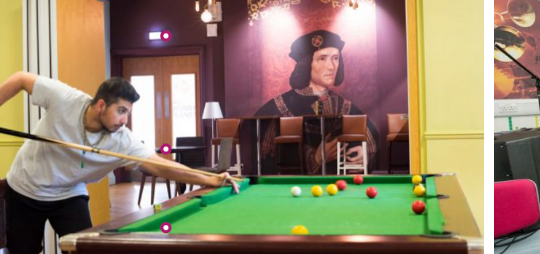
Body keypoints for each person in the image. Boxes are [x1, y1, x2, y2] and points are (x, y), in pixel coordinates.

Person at [0, 74, 238, 254]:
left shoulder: (122, 140)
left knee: (83, 249)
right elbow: (21, 79)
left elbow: (163, 166)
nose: (125, 120)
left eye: (129, 113)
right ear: (101, 105)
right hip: (25, 189)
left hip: (69, 194)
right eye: (121, 111)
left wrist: (213, 178)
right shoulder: (65, 99)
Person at [254, 30, 378, 174]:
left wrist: (364, 153)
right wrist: (317, 158)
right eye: (322, 58)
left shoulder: (346, 106)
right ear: (307, 64)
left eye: (336, 58)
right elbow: (266, 159)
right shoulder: (277, 106)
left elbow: (371, 139)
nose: (331, 66)